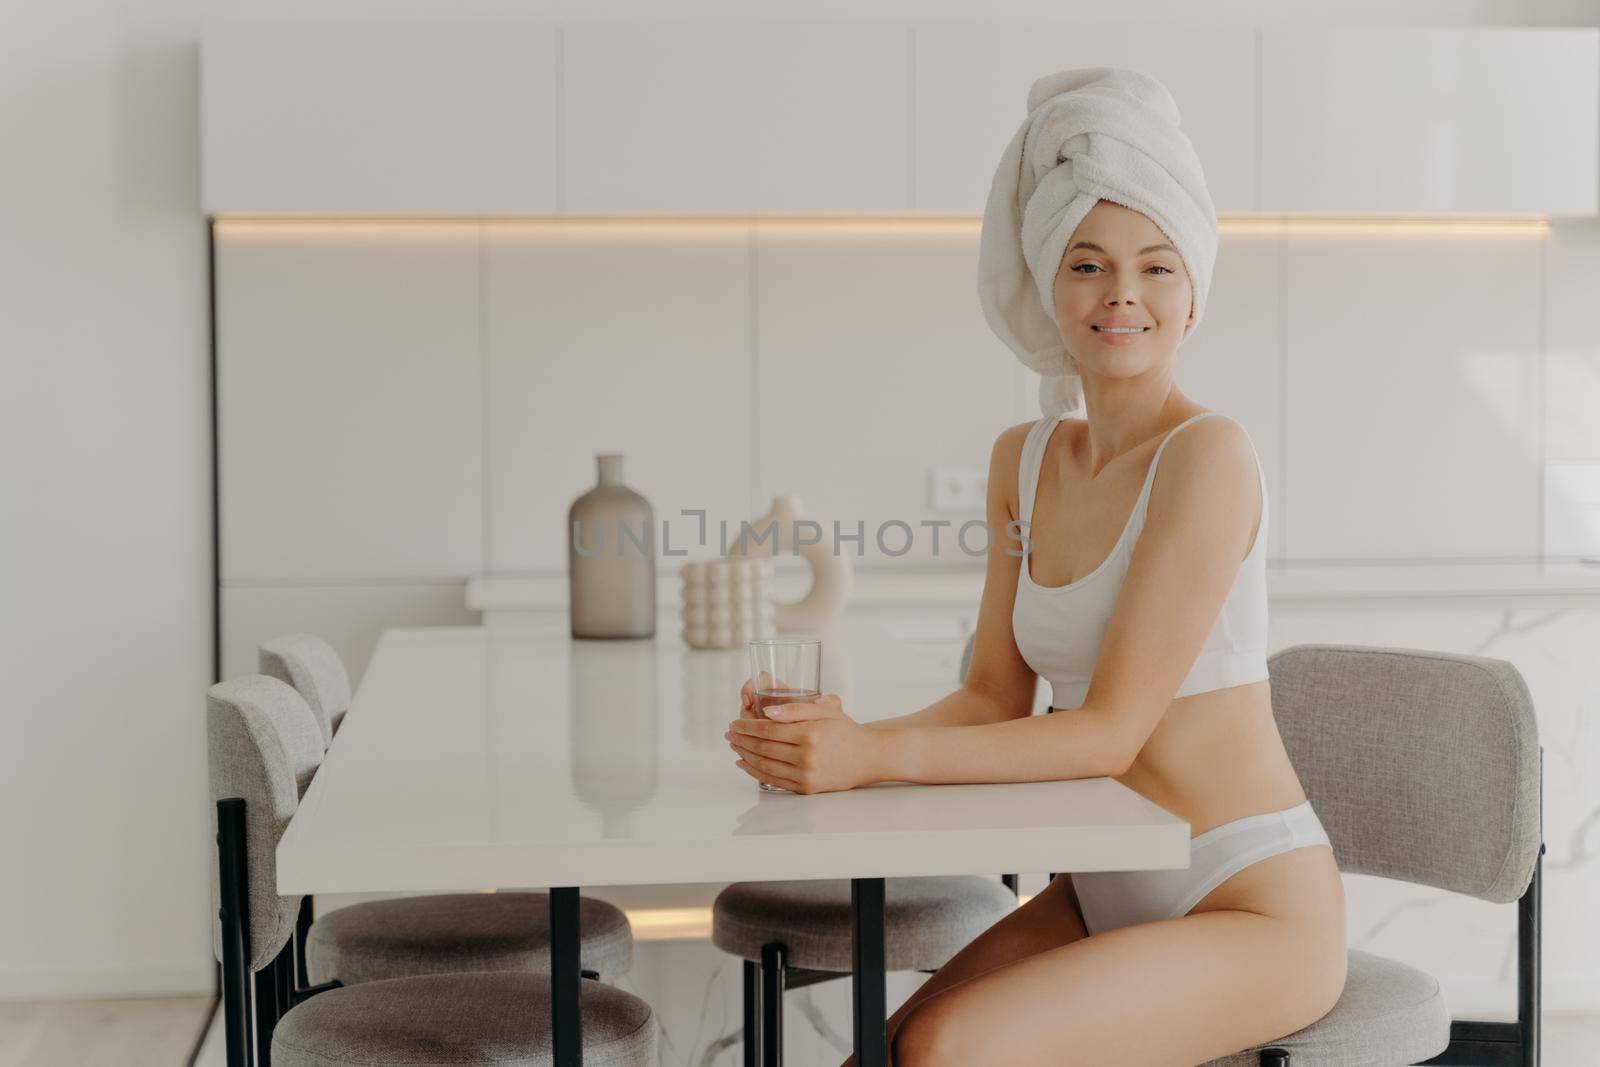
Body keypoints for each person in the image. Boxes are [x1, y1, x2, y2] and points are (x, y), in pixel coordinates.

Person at [726, 68, 1347, 1065]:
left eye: (1156, 267)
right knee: (879, 1055)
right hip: (1103, 894)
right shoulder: (1023, 459)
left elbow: (1105, 733)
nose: (1122, 298)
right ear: (1047, 284)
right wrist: (834, 738)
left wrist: (872, 758)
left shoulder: (1208, 456)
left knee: (945, 1045)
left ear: (1192, 291)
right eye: (1088, 264)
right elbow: (990, 695)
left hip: (1250, 904)